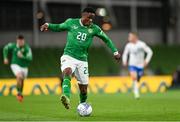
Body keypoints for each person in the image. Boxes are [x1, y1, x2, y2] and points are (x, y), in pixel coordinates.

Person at [40, 7, 121, 109]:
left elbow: (106, 39)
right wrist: (48, 25)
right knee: (67, 71)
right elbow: (59, 27)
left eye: (93, 18)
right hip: (69, 56)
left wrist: (115, 52)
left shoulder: (94, 28)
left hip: (82, 60)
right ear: (84, 15)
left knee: (83, 89)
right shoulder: (71, 23)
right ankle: (66, 96)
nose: (91, 20)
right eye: (89, 17)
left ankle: (82, 105)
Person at [122, 32, 153, 99]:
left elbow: (150, 52)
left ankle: (135, 85)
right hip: (132, 64)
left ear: (135, 37)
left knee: (137, 79)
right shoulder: (128, 45)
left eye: (130, 36)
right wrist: (124, 61)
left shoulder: (141, 44)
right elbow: (125, 54)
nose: (129, 38)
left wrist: (146, 61)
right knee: (134, 77)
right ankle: (136, 93)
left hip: (140, 65)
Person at [3, 35, 33, 102]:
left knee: (22, 80)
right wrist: (5, 57)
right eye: (19, 41)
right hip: (15, 64)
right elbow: (5, 48)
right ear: (17, 41)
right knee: (19, 76)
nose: (20, 42)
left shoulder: (27, 48)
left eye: (21, 41)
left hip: (24, 67)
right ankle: (18, 93)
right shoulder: (13, 46)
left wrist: (22, 56)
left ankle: (20, 92)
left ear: (23, 41)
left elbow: (30, 58)